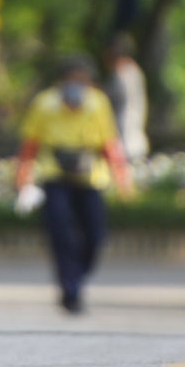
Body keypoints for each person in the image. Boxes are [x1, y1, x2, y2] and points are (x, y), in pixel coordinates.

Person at [13, 56, 135, 313]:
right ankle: (70, 290)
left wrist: (121, 175)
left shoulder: (98, 103)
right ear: (60, 82)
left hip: (90, 178)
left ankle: (77, 276)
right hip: (55, 176)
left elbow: (109, 142)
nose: (76, 87)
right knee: (61, 234)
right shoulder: (45, 104)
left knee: (94, 235)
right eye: (72, 80)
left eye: (82, 81)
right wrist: (23, 174)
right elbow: (31, 143)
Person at [106, 33, 150, 161]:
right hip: (136, 141)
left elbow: (105, 100)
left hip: (123, 143)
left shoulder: (121, 76)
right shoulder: (136, 73)